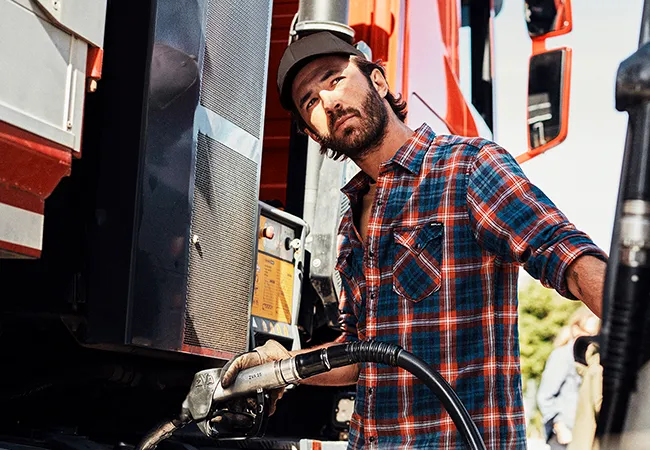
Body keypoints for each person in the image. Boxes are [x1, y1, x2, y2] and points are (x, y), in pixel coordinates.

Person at [220, 31, 608, 448]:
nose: (328, 102)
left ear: (378, 82)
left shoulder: (467, 166)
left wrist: (635, 330)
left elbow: (564, 253)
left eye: (333, 79)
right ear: (314, 134)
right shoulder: (348, 226)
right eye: (310, 101)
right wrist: (285, 366)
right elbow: (359, 351)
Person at [537, 308, 600, 449]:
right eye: (587, 332)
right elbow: (545, 396)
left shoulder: (592, 357)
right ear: (576, 329)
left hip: (583, 434)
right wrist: (560, 427)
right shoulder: (562, 356)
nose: (591, 337)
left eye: (595, 334)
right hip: (564, 437)